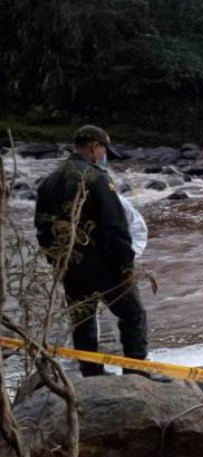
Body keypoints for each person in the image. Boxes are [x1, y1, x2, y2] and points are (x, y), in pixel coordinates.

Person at [35, 125, 149, 377]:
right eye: (104, 150)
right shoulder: (97, 178)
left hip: (70, 265)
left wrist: (55, 260)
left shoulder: (49, 181)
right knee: (133, 315)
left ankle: (91, 373)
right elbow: (115, 227)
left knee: (82, 320)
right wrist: (126, 265)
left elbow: (42, 227)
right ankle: (137, 374)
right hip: (105, 265)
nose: (104, 155)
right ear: (94, 148)